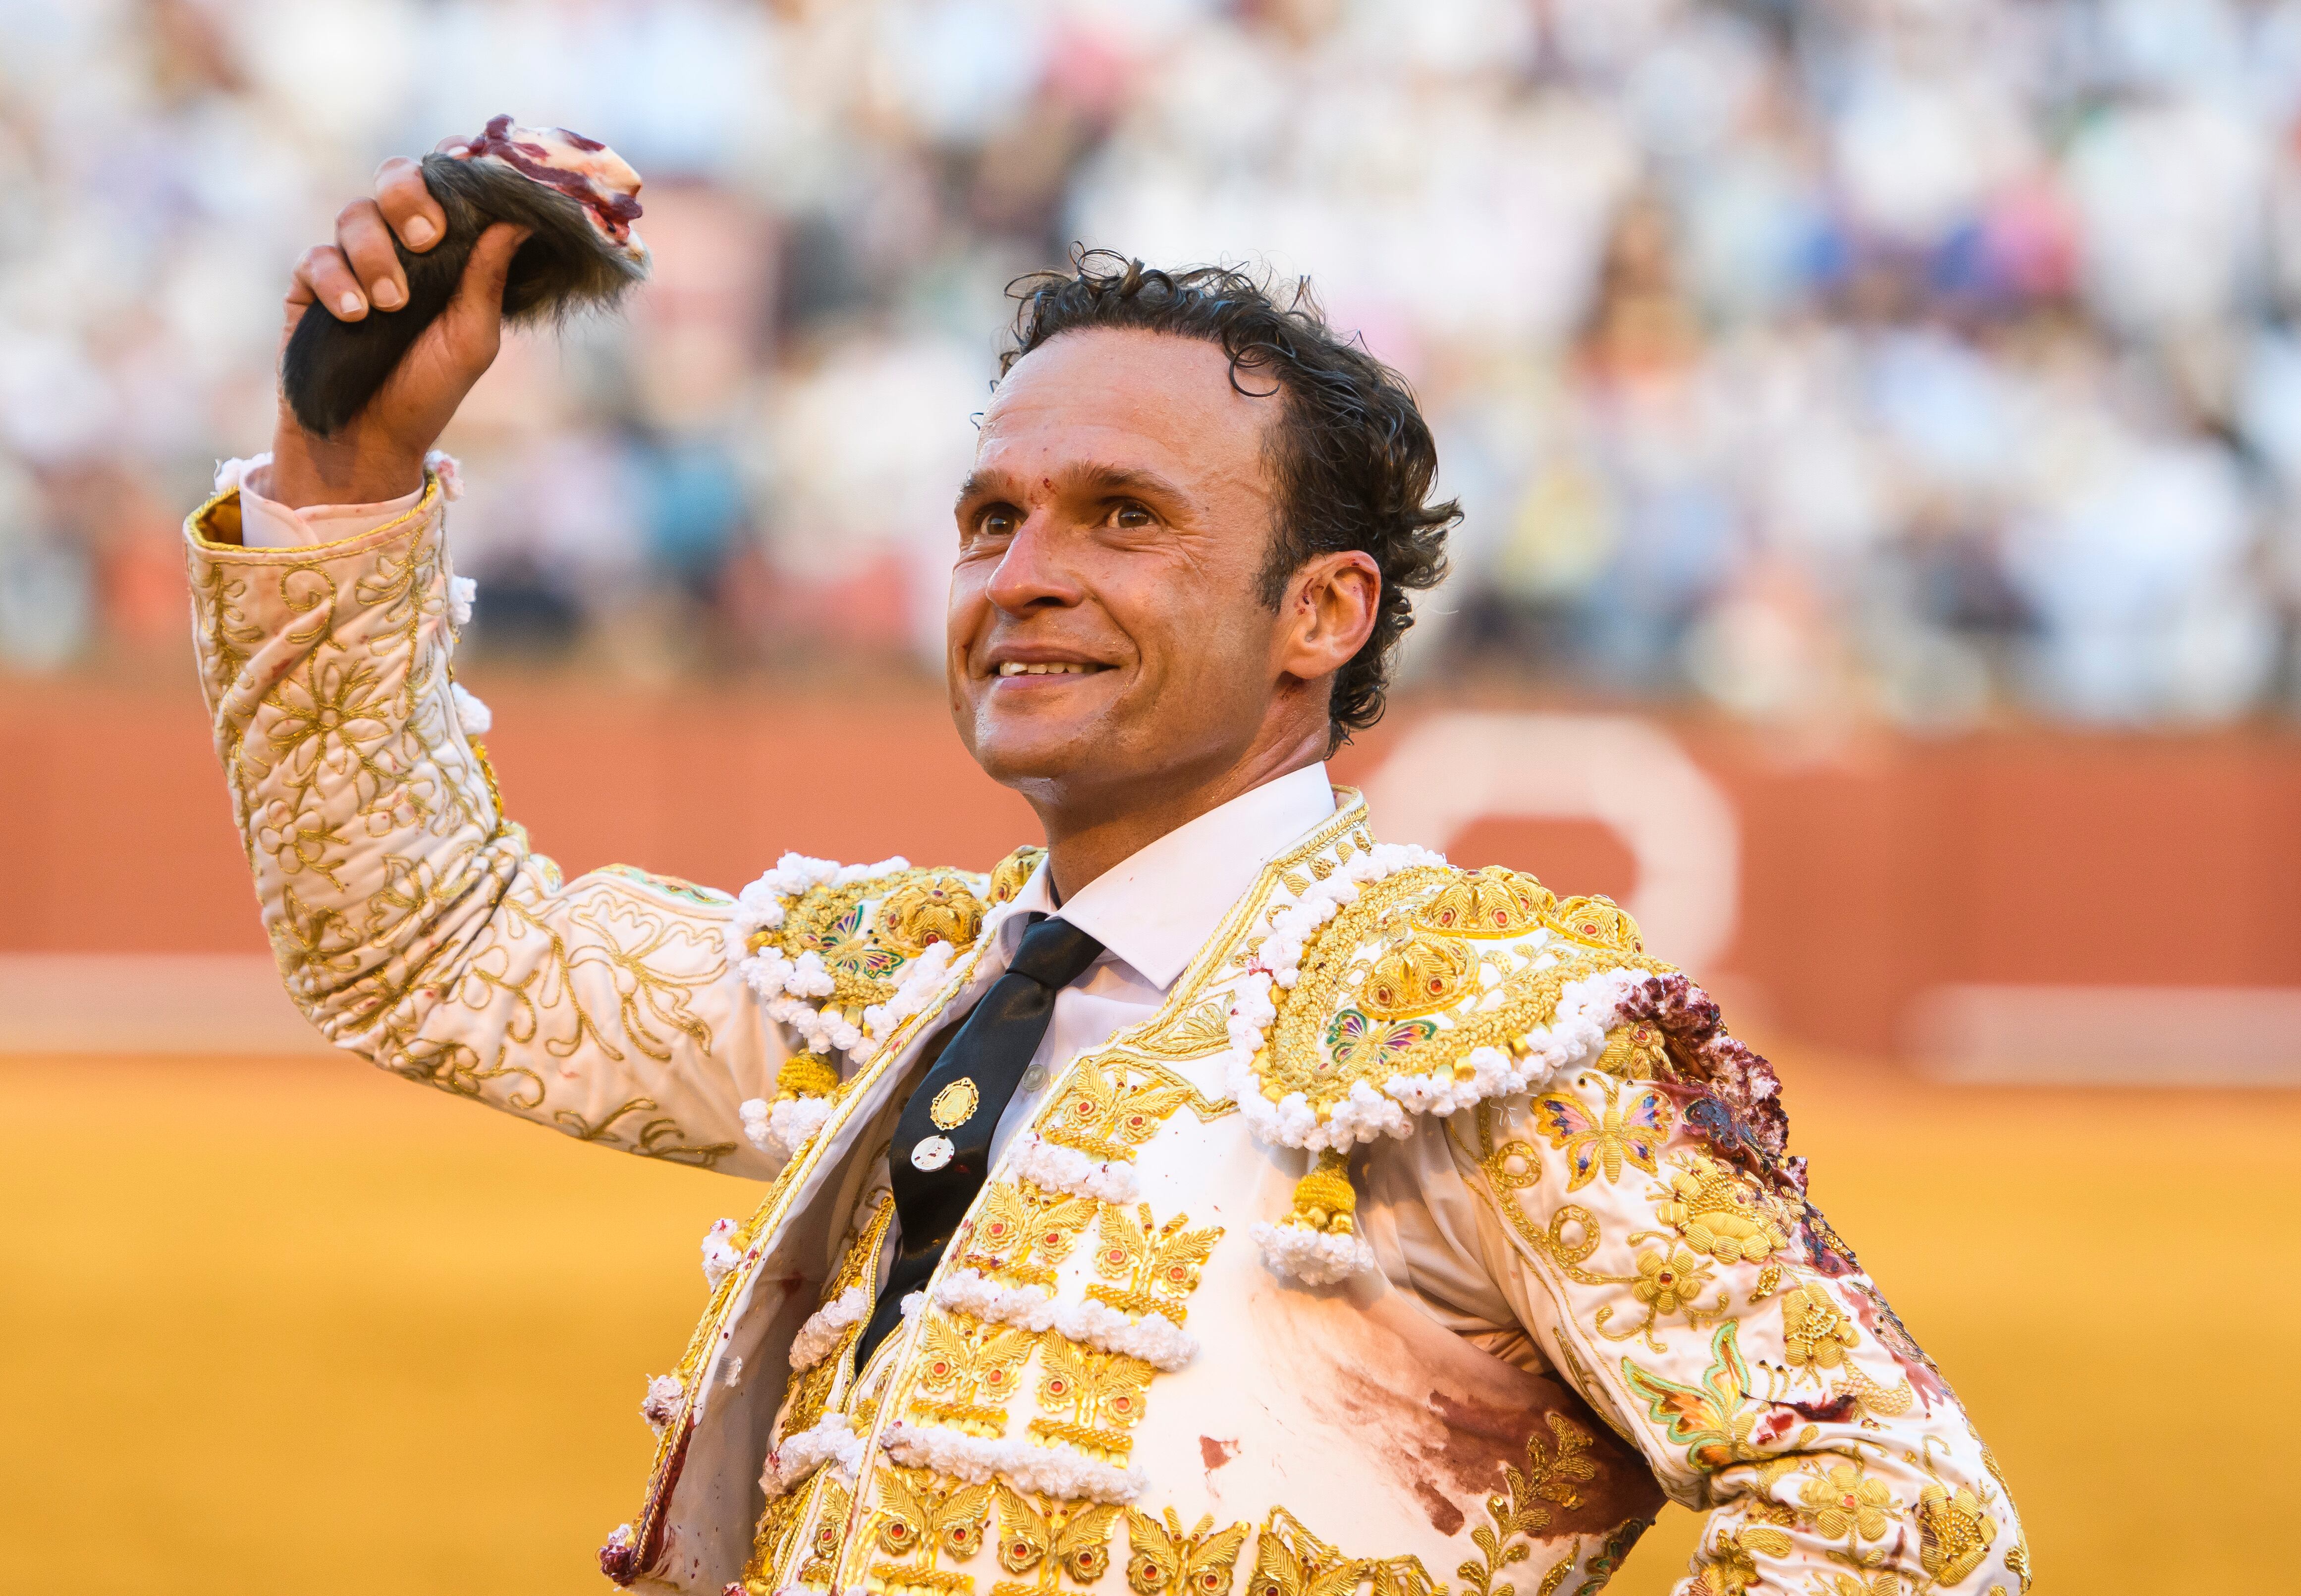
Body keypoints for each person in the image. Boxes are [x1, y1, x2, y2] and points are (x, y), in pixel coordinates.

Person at [182, 150, 2028, 1596]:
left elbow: (1897, 1516)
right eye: (994, 519)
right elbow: (427, 946)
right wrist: (345, 465)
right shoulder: (910, 989)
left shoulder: (1488, 1040)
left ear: (1322, 613)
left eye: (1123, 519)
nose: (1023, 574)